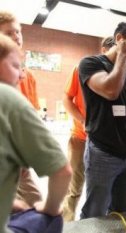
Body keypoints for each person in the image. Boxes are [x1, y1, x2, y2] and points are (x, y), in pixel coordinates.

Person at [0, 33, 72, 233]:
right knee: (52, 216)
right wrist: (50, 207)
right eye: (15, 66)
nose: (21, 75)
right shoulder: (7, 96)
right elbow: (62, 171)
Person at [78, 22, 126, 218]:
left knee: (121, 213)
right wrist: (123, 56)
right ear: (119, 39)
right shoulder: (91, 64)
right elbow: (110, 91)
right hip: (102, 154)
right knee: (95, 212)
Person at [61, 36, 115, 222]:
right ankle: (67, 223)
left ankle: (95, 224)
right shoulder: (82, 68)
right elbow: (67, 99)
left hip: (104, 143)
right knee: (74, 188)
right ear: (103, 50)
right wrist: (84, 121)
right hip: (80, 138)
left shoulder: (118, 74)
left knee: (100, 189)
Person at [0, 10, 42, 211]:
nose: (16, 37)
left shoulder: (27, 75)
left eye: (18, 32)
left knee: (36, 204)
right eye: (9, 33)